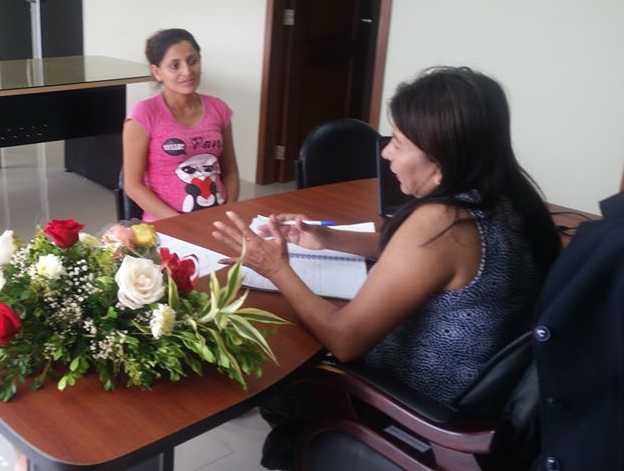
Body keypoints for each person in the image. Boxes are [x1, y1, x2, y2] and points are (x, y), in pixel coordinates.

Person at [211, 66, 562, 469]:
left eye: (398, 143)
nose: (385, 154)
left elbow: (344, 340)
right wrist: (326, 237)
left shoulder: (443, 224)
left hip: (416, 406)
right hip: (482, 397)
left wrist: (276, 269)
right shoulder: (509, 199)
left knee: (280, 373)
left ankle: (307, 449)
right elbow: (420, 257)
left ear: (440, 159)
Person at [122, 28, 240, 221]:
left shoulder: (219, 109)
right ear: (157, 72)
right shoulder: (144, 114)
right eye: (174, 66)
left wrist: (227, 213)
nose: (187, 72)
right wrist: (181, 223)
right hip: (167, 225)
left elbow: (230, 172)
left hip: (217, 221)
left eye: (192, 61)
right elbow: (133, 186)